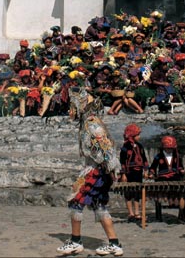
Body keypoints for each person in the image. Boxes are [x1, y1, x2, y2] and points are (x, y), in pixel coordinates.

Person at [57, 87, 123, 256]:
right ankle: (114, 243)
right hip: (98, 169)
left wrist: (110, 169)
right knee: (99, 206)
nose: (70, 110)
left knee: (76, 203)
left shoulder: (92, 124)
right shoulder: (89, 123)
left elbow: (106, 149)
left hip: (96, 170)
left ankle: (76, 241)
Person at [149, 135, 185, 223]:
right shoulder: (158, 156)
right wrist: (151, 173)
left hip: (175, 178)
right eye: (168, 148)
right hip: (162, 179)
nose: (169, 150)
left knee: (181, 194)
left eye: (171, 148)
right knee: (160, 194)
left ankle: (181, 215)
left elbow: (180, 166)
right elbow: (153, 167)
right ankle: (159, 215)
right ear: (163, 148)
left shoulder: (177, 156)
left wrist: (182, 170)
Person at [118, 124, 148, 223]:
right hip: (128, 172)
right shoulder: (125, 147)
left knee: (137, 193)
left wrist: (146, 170)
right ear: (132, 135)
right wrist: (123, 174)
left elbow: (144, 159)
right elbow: (122, 161)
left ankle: (137, 212)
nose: (139, 137)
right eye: (137, 135)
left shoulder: (140, 146)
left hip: (138, 172)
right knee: (128, 192)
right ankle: (130, 213)